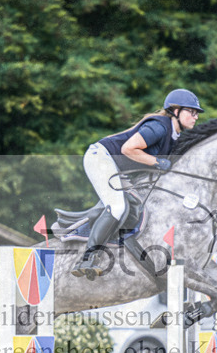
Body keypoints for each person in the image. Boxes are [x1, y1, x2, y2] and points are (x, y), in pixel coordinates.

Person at [71, 88, 203, 279]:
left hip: (117, 168)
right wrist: (157, 162)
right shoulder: (159, 127)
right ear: (176, 110)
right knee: (117, 207)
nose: (196, 117)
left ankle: (121, 246)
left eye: (196, 113)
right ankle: (87, 258)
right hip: (100, 158)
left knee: (136, 207)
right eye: (192, 112)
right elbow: (128, 149)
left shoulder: (174, 137)